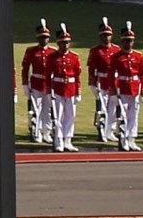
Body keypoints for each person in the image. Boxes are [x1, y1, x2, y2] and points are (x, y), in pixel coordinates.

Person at [89, 21, 123, 152]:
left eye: (108, 35)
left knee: (113, 109)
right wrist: (92, 83)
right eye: (104, 35)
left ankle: (110, 131)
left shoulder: (116, 49)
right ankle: (102, 131)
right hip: (101, 82)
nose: (106, 37)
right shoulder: (95, 50)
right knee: (102, 109)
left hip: (113, 82)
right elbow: (92, 69)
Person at [48, 25, 83, 153]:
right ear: (58, 43)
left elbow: (77, 75)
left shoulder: (74, 57)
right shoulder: (52, 57)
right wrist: (49, 91)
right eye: (63, 42)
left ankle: (68, 139)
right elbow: (48, 75)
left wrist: (78, 91)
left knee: (70, 116)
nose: (65, 45)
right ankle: (58, 140)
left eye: (67, 42)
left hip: (71, 89)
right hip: (57, 89)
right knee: (58, 116)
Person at [20, 22, 55, 148]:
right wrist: (25, 84)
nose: (44, 39)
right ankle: (37, 132)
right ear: (37, 38)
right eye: (41, 37)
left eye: (46, 37)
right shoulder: (31, 51)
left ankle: (47, 132)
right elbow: (25, 68)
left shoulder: (53, 52)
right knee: (36, 109)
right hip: (36, 83)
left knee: (48, 110)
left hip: (49, 85)